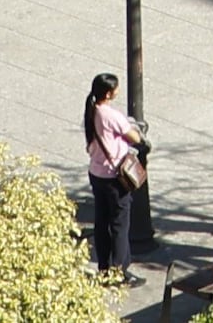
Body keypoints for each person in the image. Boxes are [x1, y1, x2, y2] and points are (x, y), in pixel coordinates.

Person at [83, 73, 144, 276]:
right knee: (119, 224)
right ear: (108, 94)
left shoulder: (91, 112)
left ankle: (103, 266)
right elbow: (134, 137)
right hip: (113, 177)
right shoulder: (111, 115)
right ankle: (119, 270)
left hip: (96, 173)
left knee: (101, 222)